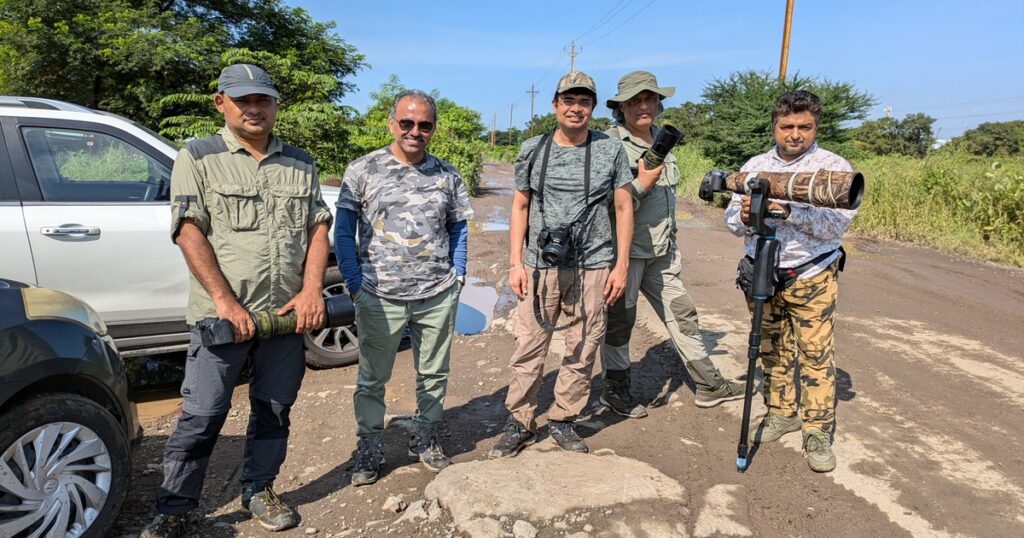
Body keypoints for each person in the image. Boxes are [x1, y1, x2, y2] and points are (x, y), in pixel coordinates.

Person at [142, 64, 332, 537]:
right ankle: (174, 508)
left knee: (274, 409)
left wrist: (311, 291)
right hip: (221, 319)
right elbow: (188, 231)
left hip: (284, 319)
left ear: (275, 106)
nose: (254, 108)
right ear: (220, 102)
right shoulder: (198, 157)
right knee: (202, 415)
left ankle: (259, 489)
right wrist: (226, 302)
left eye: (263, 100)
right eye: (243, 99)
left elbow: (317, 228)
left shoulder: (301, 162)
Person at [488, 71, 638, 458]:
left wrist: (620, 266)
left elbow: (623, 207)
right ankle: (519, 421)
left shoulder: (610, 150)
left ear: (592, 107)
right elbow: (519, 205)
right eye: (568, 101)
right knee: (529, 345)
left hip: (593, 264)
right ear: (555, 105)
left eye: (584, 101)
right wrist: (515, 263)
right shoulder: (532, 149)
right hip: (540, 265)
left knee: (583, 345)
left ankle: (563, 419)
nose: (576, 108)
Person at [335, 90, 473, 486]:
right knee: (372, 377)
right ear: (392, 123)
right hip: (379, 295)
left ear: (433, 128)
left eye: (424, 124)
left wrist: (458, 275)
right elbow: (343, 232)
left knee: (433, 373)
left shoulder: (447, 175)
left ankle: (425, 435)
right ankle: (369, 445)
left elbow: (459, 228)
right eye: (407, 123)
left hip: (436, 294)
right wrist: (355, 283)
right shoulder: (363, 170)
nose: (415, 131)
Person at [725, 89, 856, 473]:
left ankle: (817, 431)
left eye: (804, 127)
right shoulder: (755, 165)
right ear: (774, 126)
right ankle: (781, 413)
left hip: (811, 273)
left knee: (816, 357)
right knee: (772, 349)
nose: (795, 134)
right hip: (762, 272)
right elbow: (731, 222)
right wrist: (749, 214)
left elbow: (836, 225)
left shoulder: (834, 169)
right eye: (787, 126)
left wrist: (789, 213)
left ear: (816, 126)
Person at [600, 71, 744, 418]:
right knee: (620, 322)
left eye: (650, 99)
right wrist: (640, 184)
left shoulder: (662, 142)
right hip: (625, 254)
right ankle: (615, 391)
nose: (644, 106)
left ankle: (709, 384)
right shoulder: (608, 146)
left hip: (661, 253)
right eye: (635, 101)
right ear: (620, 108)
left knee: (682, 316)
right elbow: (603, 205)